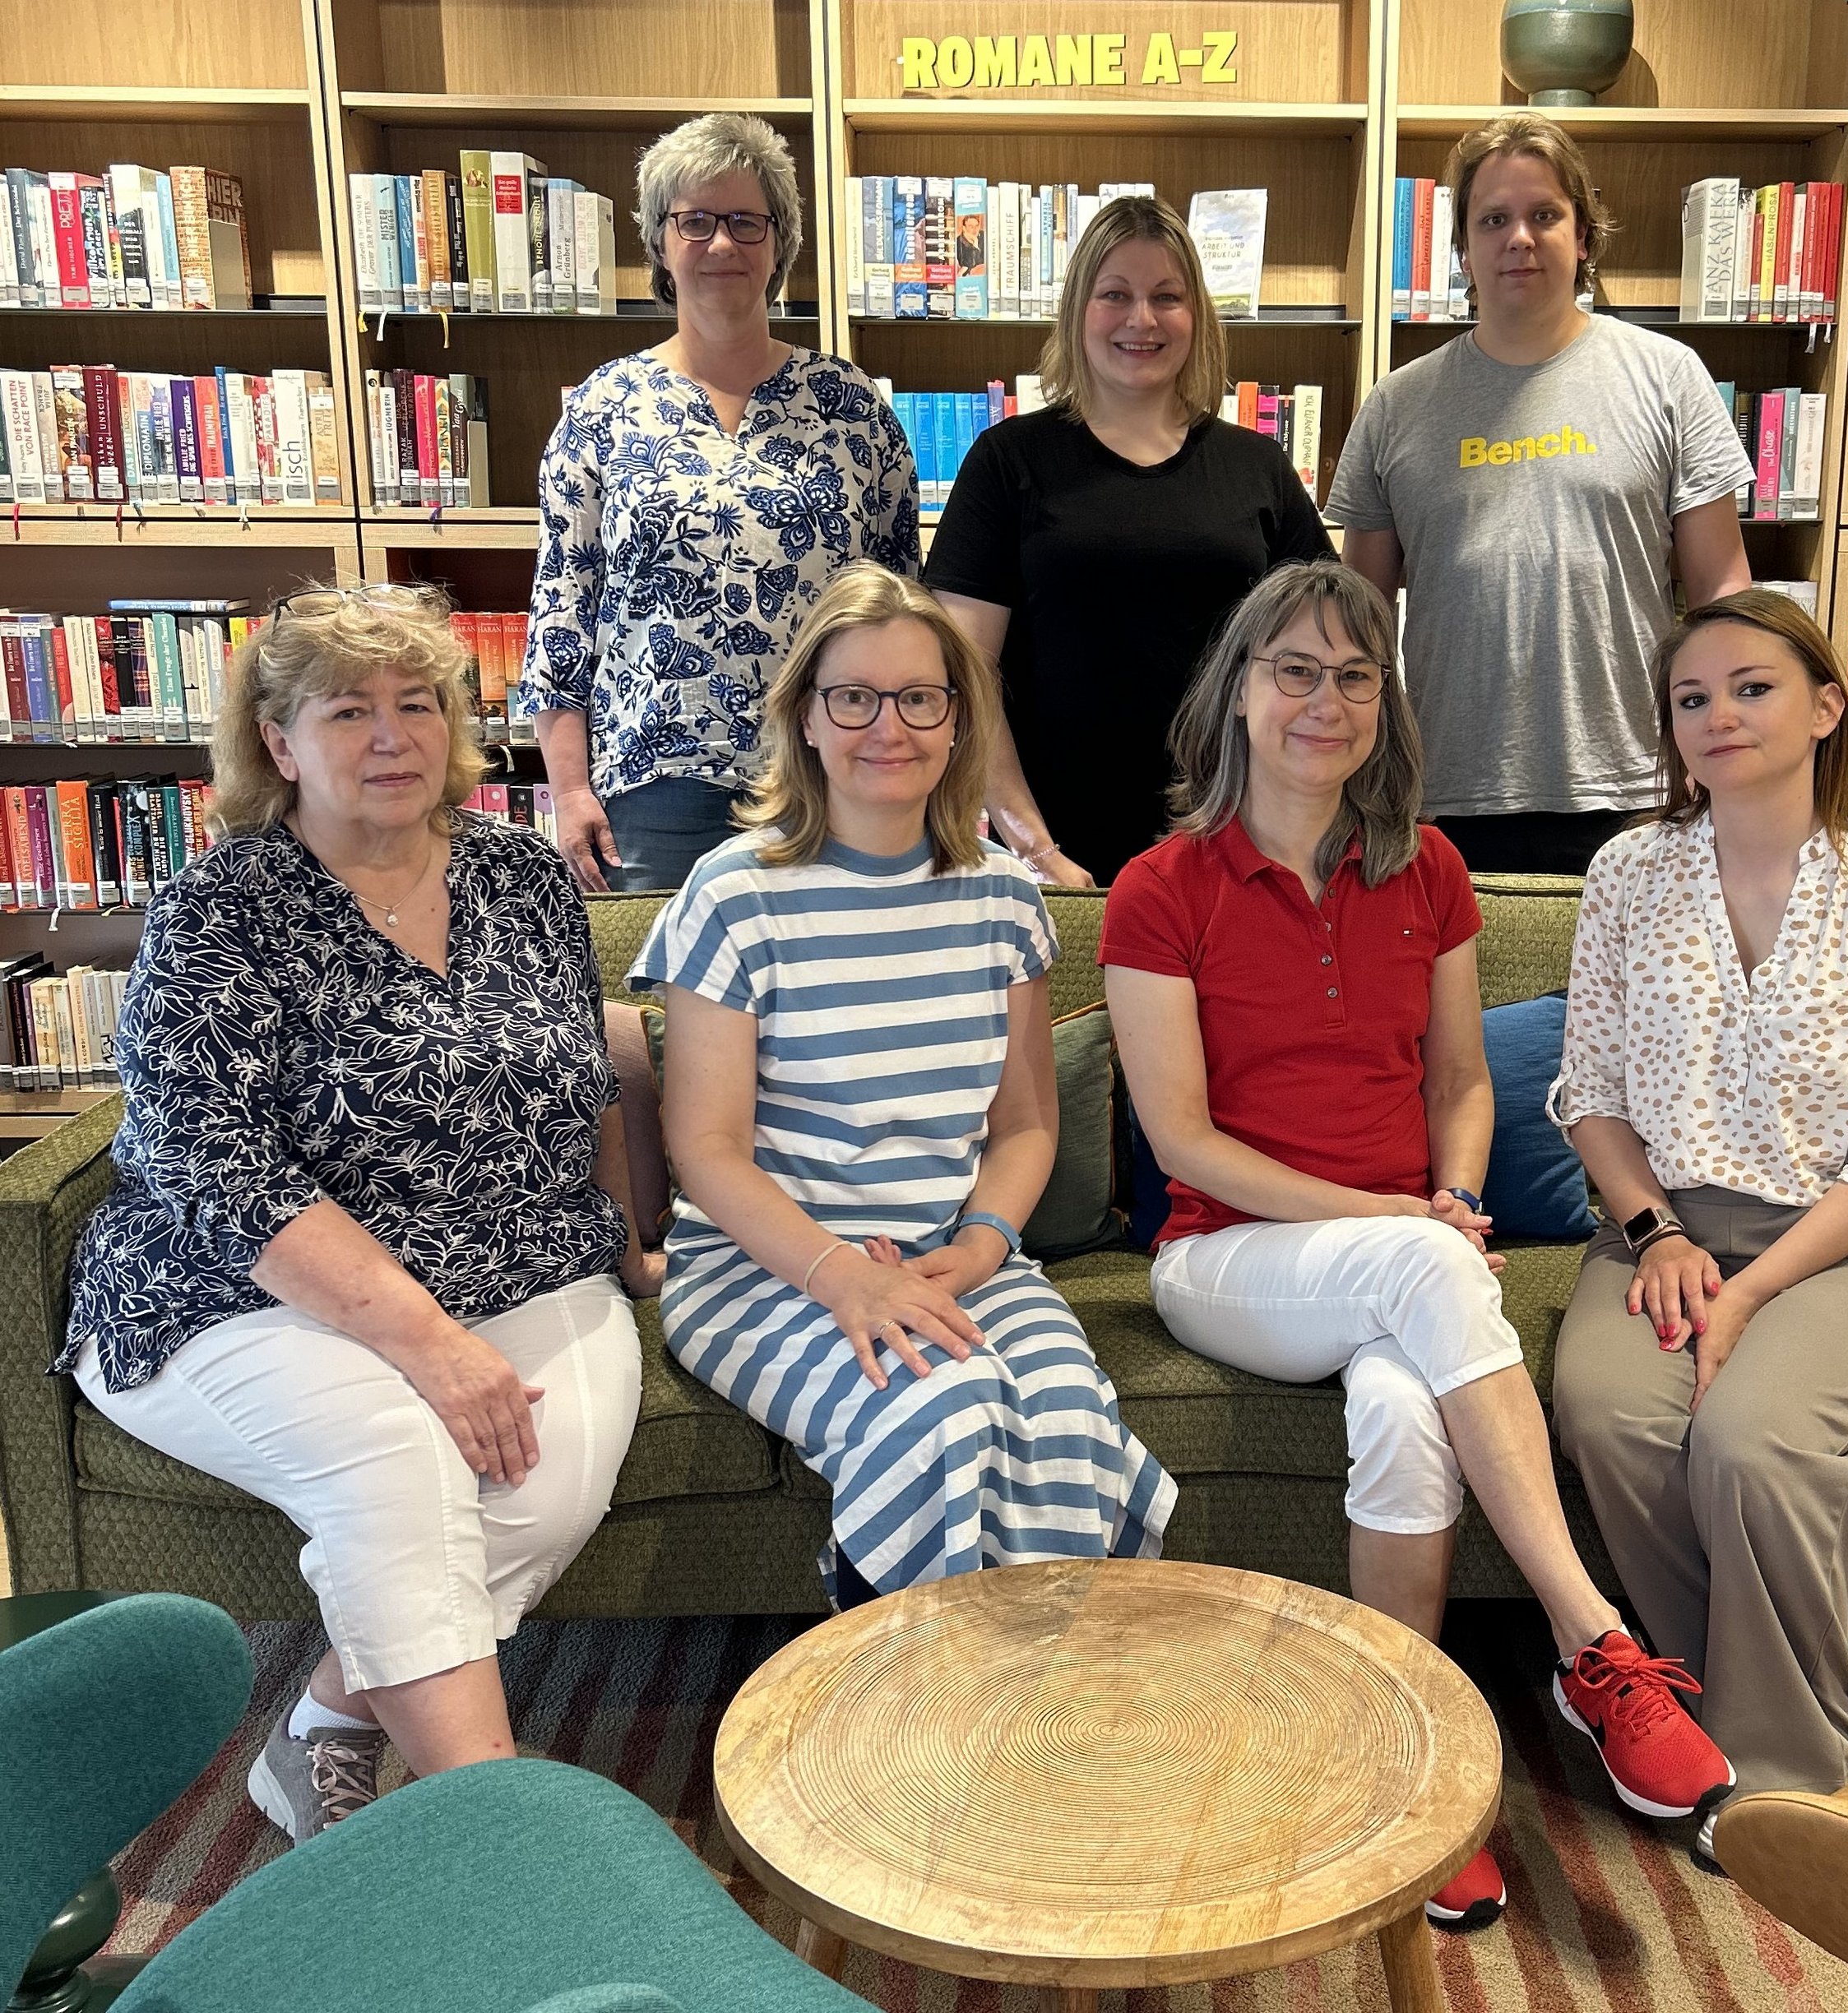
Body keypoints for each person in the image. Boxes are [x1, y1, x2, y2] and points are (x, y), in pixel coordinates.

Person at [1100, 559, 1732, 1932]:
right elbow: (1184, 1140)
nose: (1324, 700)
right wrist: (1408, 1220)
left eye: (1355, 675)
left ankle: (1414, 1779)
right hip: (1226, 1258)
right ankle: (1594, 1640)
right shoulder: (1159, 886)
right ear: (1238, 692)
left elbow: (1462, 1083)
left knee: (1407, 1418)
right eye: (1294, 671)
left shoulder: (1428, 868)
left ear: (1384, 705)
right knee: (1425, 1272)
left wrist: (1447, 1191)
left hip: (1401, 1261)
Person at [60, 585, 652, 1843]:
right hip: (242, 1293)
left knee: (539, 1499)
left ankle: (328, 1718)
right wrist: (427, 1345)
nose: (392, 735)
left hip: (529, 1263)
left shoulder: (521, 874)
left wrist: (629, 1233)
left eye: (417, 703)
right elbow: (216, 1166)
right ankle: (488, 1837)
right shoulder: (219, 909)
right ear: (279, 744)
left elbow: (582, 1072)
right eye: (348, 711)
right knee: (399, 1460)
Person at [631, 562, 1175, 1604]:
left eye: (921, 697)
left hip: (953, 1262)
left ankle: (1033, 1726)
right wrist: (843, 1275)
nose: (891, 726)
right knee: (947, 1407)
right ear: (806, 718)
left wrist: (977, 1250)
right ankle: (903, 1714)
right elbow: (706, 1148)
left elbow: (1023, 1128)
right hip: (764, 1268)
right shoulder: (735, 893)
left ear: (961, 720)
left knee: (1068, 1424)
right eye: (855, 698)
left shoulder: (1003, 896)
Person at [1548, 588, 1848, 1871]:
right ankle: (1773, 1677)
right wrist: (1663, 1237)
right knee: (1610, 1414)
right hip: (1663, 1233)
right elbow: (1593, 1094)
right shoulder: (1629, 871)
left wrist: (1745, 1292)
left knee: (1749, 1438)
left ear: (1830, 707)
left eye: (1752, 687)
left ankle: (1786, 1779)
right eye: (1691, 698)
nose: (1717, 715)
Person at [1329, 113, 1753, 874]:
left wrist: (1715, 758)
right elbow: (1359, 625)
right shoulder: (1396, 405)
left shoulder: (1668, 377)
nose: (1518, 238)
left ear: (1583, 235)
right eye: (1493, 219)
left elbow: (1724, 594)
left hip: (1639, 790)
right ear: (1462, 246)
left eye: (1544, 215)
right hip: (1441, 798)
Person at [526, 112, 919, 894]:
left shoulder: (850, 406)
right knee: (668, 1006)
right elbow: (562, 608)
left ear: (780, 244)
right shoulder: (607, 405)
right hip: (654, 787)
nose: (721, 245)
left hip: (829, 772)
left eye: (746, 221)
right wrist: (570, 792)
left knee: (823, 1004)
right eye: (695, 221)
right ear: (661, 242)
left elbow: (901, 603)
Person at [927, 194, 1332, 886]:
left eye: (1166, 297)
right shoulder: (1007, 460)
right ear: (1079, 308)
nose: (1141, 320)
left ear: (1196, 316)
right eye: (1115, 295)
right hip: (1061, 859)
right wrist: (1034, 848)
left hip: (1234, 853)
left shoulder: (1256, 466)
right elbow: (963, 675)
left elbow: (1325, 656)